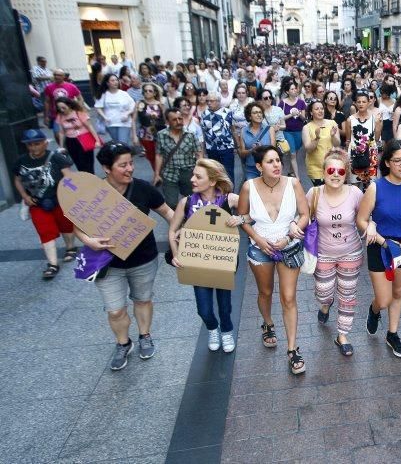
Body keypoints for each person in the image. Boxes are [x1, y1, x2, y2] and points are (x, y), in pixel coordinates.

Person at [73, 142, 173, 370]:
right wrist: (88, 240)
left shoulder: (143, 188)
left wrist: (181, 232)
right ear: (107, 168)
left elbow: (167, 212)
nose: (130, 169)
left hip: (144, 259)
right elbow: (75, 224)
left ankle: (145, 335)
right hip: (108, 263)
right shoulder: (93, 193)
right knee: (115, 309)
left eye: (131, 163)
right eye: (123, 165)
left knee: (143, 299)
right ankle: (123, 343)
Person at [236, 145, 309, 374]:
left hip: (289, 246)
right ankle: (268, 324)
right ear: (259, 166)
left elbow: (305, 214)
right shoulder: (248, 187)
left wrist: (290, 235)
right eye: (270, 161)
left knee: (289, 298)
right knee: (265, 292)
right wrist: (258, 238)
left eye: (278, 160)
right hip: (260, 249)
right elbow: (242, 218)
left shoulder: (293, 183)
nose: (277, 165)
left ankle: (292, 349)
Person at [357, 140, 401, 358]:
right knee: (384, 299)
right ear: (387, 162)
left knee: (398, 292)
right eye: (397, 161)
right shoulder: (376, 187)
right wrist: (379, 237)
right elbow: (361, 220)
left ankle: (392, 333)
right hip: (381, 246)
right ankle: (374, 310)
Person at [169, 160, 240, 352]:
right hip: (196, 263)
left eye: (198, 176)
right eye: (193, 175)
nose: (192, 179)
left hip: (223, 261)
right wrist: (176, 254)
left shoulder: (230, 199)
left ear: (212, 181)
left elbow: (254, 213)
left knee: (225, 305)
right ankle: (212, 328)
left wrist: (241, 218)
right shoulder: (186, 202)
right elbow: (172, 230)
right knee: (204, 309)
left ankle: (226, 331)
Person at [308, 149, 363, 356]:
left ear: (346, 173)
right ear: (323, 172)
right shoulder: (314, 194)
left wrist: (372, 226)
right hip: (323, 254)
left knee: (347, 295)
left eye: (341, 171)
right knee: (324, 291)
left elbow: (366, 217)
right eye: (331, 170)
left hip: (351, 253)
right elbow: (303, 217)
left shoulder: (356, 193)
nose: (336, 174)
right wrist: (295, 225)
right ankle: (325, 305)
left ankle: (342, 334)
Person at [13, 129, 77, 279]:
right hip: (37, 203)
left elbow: (69, 177)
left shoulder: (56, 158)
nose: (34, 147)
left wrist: (74, 194)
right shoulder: (21, 162)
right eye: (30, 145)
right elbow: (17, 180)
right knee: (44, 231)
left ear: (45, 143)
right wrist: (24, 196)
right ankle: (53, 264)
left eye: (37, 144)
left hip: (59, 199)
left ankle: (70, 248)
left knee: (66, 226)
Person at [154, 107, 203, 209]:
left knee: (192, 201)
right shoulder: (161, 135)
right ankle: (176, 222)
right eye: (174, 119)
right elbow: (159, 155)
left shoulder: (191, 134)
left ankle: (189, 222)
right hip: (169, 173)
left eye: (180, 119)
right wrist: (157, 174)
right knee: (171, 203)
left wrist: (199, 172)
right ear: (167, 121)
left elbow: (199, 154)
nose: (178, 122)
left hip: (189, 172)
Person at [345, 90, 381, 190]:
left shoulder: (375, 119)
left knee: (369, 187)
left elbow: (377, 138)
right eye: (359, 102)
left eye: (364, 101)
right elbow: (348, 140)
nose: (361, 104)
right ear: (355, 103)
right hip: (354, 154)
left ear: (369, 103)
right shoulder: (350, 119)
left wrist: (378, 124)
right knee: (354, 187)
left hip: (370, 154)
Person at [54, 96, 101, 173]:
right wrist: (61, 146)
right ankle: (84, 180)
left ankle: (91, 180)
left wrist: (97, 140)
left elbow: (90, 127)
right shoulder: (60, 116)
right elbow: (61, 132)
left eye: (63, 108)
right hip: (71, 141)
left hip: (84, 140)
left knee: (88, 164)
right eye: (59, 108)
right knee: (79, 164)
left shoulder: (79, 113)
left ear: (69, 105)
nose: (62, 110)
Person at [302, 99, 341, 186]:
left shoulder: (332, 123)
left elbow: (337, 144)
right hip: (316, 168)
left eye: (322, 108)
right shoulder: (307, 127)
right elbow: (308, 149)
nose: (320, 111)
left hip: (332, 165)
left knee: (333, 192)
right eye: (317, 109)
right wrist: (317, 138)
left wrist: (333, 136)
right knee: (320, 194)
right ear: (311, 112)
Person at [201, 91, 236, 183]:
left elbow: (233, 130)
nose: (209, 103)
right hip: (211, 149)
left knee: (228, 174)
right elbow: (203, 133)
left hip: (227, 148)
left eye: (211, 101)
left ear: (218, 101)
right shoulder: (204, 114)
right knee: (214, 174)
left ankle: (229, 195)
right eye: (207, 101)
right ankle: (217, 195)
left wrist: (237, 146)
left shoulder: (228, 112)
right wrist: (203, 150)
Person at [238, 102, 276, 182]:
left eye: (260, 112)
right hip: (251, 167)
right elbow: (241, 153)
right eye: (255, 113)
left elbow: (273, 150)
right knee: (253, 190)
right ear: (249, 116)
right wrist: (252, 150)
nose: (259, 115)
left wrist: (262, 149)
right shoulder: (243, 131)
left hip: (268, 166)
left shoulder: (269, 129)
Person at [95, 74, 137, 145]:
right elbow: (98, 107)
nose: (115, 82)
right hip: (110, 123)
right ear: (107, 83)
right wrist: (105, 117)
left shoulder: (124, 94)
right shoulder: (104, 94)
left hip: (124, 122)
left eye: (116, 80)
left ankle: (126, 154)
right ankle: (124, 155)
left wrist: (127, 113)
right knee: (117, 144)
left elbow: (133, 106)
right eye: (112, 80)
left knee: (122, 144)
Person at [278, 80, 307, 177]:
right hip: (287, 131)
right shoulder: (283, 103)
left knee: (296, 151)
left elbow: (304, 118)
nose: (295, 90)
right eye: (292, 89)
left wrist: (299, 114)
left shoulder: (301, 102)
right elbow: (280, 118)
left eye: (295, 88)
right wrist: (291, 114)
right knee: (293, 154)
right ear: (287, 92)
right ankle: (297, 177)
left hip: (299, 130)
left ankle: (291, 170)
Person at [136, 83, 166, 170]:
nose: (147, 92)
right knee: (150, 155)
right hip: (145, 133)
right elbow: (134, 120)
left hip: (160, 132)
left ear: (154, 93)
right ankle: (156, 172)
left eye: (150, 91)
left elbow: (165, 119)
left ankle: (162, 172)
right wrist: (134, 135)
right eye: (145, 91)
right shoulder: (139, 103)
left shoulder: (160, 104)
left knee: (162, 154)